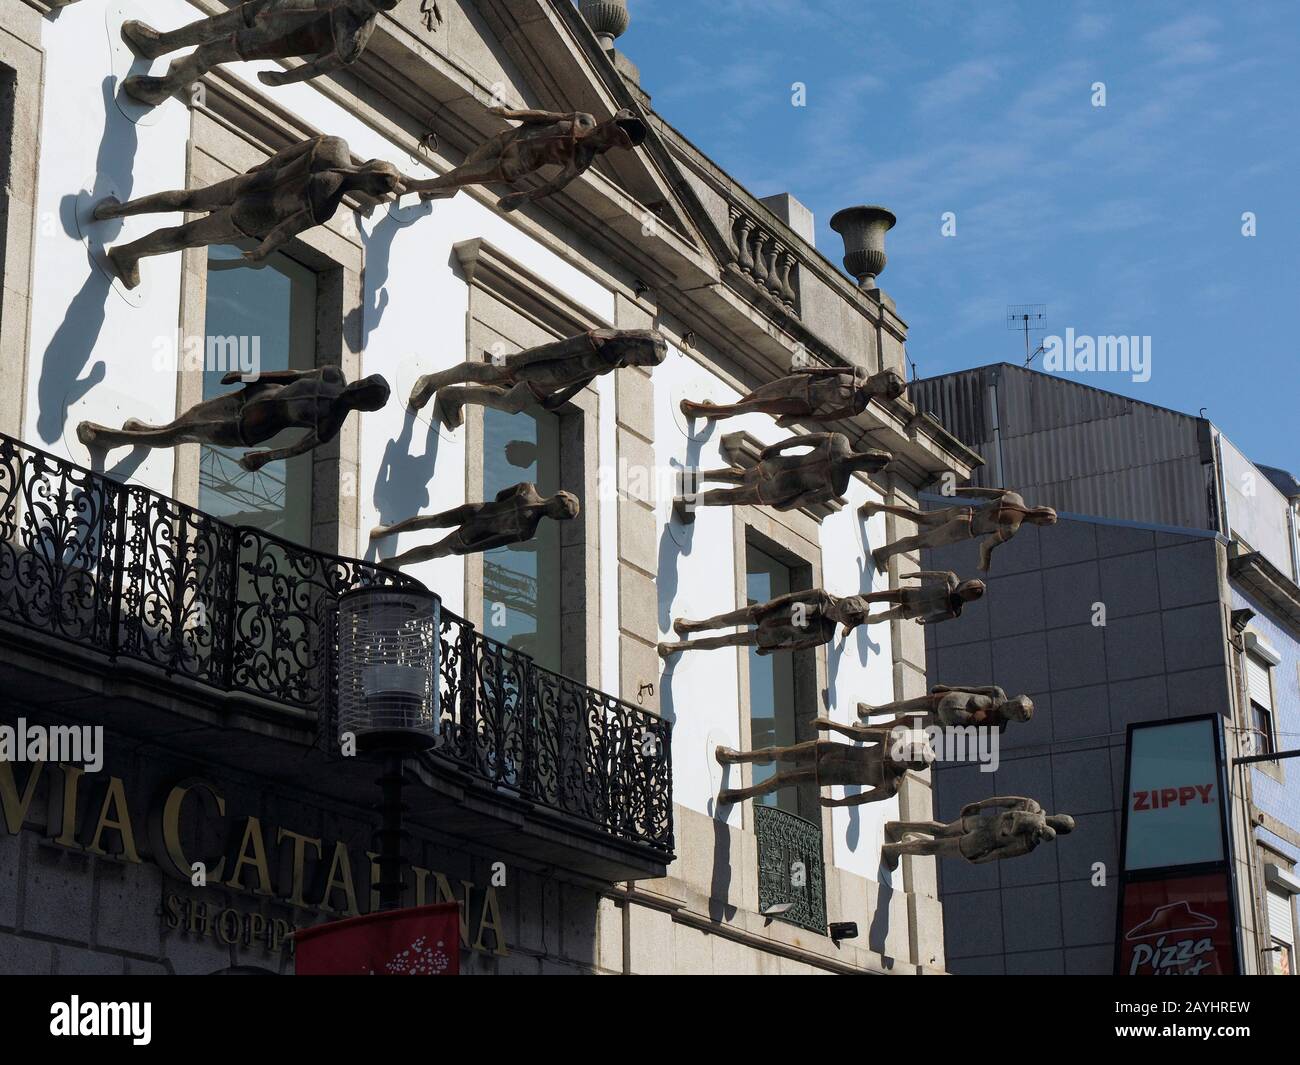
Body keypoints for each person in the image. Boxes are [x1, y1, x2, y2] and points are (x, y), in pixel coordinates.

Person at [94, 135, 404, 289]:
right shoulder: (326, 205)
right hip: (254, 216)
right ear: (370, 190)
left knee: (188, 199)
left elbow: (285, 154)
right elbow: (285, 229)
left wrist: (261, 169)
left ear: (369, 163)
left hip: (254, 183)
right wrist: (262, 250)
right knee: (185, 236)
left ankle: (115, 210)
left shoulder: (334, 146)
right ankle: (127, 254)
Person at [77, 366, 390, 472]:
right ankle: (145, 432)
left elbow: (299, 448)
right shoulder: (333, 374)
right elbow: (291, 375)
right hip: (254, 395)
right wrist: (248, 375)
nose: (357, 387)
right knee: (189, 418)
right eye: (363, 383)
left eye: (363, 393)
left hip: (252, 427)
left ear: (363, 406)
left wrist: (266, 457)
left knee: (187, 431)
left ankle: (111, 438)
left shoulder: (331, 422)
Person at [119, 0, 400, 107]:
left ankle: (164, 89)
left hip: (275, 38)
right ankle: (161, 43)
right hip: (272, 6)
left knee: (210, 52)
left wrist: (285, 77)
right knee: (213, 24)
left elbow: (320, 67)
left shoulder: (354, 36)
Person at [401, 106, 648, 213]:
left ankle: (413, 185)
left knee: (461, 174)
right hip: (513, 137)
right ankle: (449, 190)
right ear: (610, 122)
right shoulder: (584, 119)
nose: (604, 134)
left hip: (517, 164)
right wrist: (510, 113)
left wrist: (523, 197)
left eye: (612, 138)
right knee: (470, 161)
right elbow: (545, 115)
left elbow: (554, 185)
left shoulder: (582, 159)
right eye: (610, 129)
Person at [408, 329, 666, 429]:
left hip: (547, 385)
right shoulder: (595, 341)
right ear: (635, 342)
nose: (636, 364)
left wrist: (560, 398)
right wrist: (519, 361)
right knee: (484, 373)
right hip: (533, 366)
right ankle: (432, 382)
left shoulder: (614, 361)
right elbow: (554, 349)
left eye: (641, 364)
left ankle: (453, 396)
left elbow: (585, 378)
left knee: (510, 406)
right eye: (640, 358)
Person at [369, 484, 579, 569]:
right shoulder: (527, 531)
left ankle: (386, 531)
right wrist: (468, 548)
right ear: (555, 517)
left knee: (432, 520)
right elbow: (493, 542)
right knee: (435, 550)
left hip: (478, 511)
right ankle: (393, 562)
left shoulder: (527, 488)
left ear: (558, 494)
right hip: (475, 534)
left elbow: (499, 497)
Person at [680, 432, 891, 514]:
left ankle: (696, 480)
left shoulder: (839, 442)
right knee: (735, 494)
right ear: (868, 464)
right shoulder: (839, 483)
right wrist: (786, 506)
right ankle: (689, 498)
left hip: (782, 470)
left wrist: (776, 447)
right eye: (872, 467)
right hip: (782, 485)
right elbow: (807, 498)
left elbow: (801, 440)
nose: (868, 469)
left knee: (740, 477)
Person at [863, 487, 1057, 572]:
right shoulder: (1012, 528)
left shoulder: (1015, 497)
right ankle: (882, 553)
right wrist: (985, 563)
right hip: (965, 528)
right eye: (1043, 524)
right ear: (1039, 521)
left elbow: (979, 492)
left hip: (964, 510)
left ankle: (876, 507)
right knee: (921, 541)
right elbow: (986, 546)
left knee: (920, 516)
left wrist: (956, 491)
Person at [680, 364, 905, 428]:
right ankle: (721, 414)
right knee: (757, 394)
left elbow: (825, 418)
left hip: (805, 403)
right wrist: (805, 370)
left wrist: (798, 419)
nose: (879, 378)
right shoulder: (860, 372)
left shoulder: (858, 405)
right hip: (803, 383)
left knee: (759, 405)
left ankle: (707, 411)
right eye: (883, 375)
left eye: (884, 381)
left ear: (883, 392)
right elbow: (829, 371)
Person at [882, 796, 1075, 868]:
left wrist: (979, 805)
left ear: (1056, 815)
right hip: (982, 841)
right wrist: (982, 859)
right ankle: (894, 850)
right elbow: (1001, 853)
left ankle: (897, 827)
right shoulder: (1029, 842)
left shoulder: (1031, 805)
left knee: (942, 829)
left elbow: (1000, 800)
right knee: (935, 847)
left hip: (981, 821)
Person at [857, 684, 1034, 732]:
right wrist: (948, 688)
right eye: (1015, 706)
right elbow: (970, 689)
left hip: (948, 721)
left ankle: (869, 728)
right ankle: (873, 710)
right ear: (1013, 700)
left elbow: (972, 733)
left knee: (907, 722)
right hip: (948, 699)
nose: (1011, 710)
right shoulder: (997, 692)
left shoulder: (999, 727)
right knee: (907, 704)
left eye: (1016, 714)